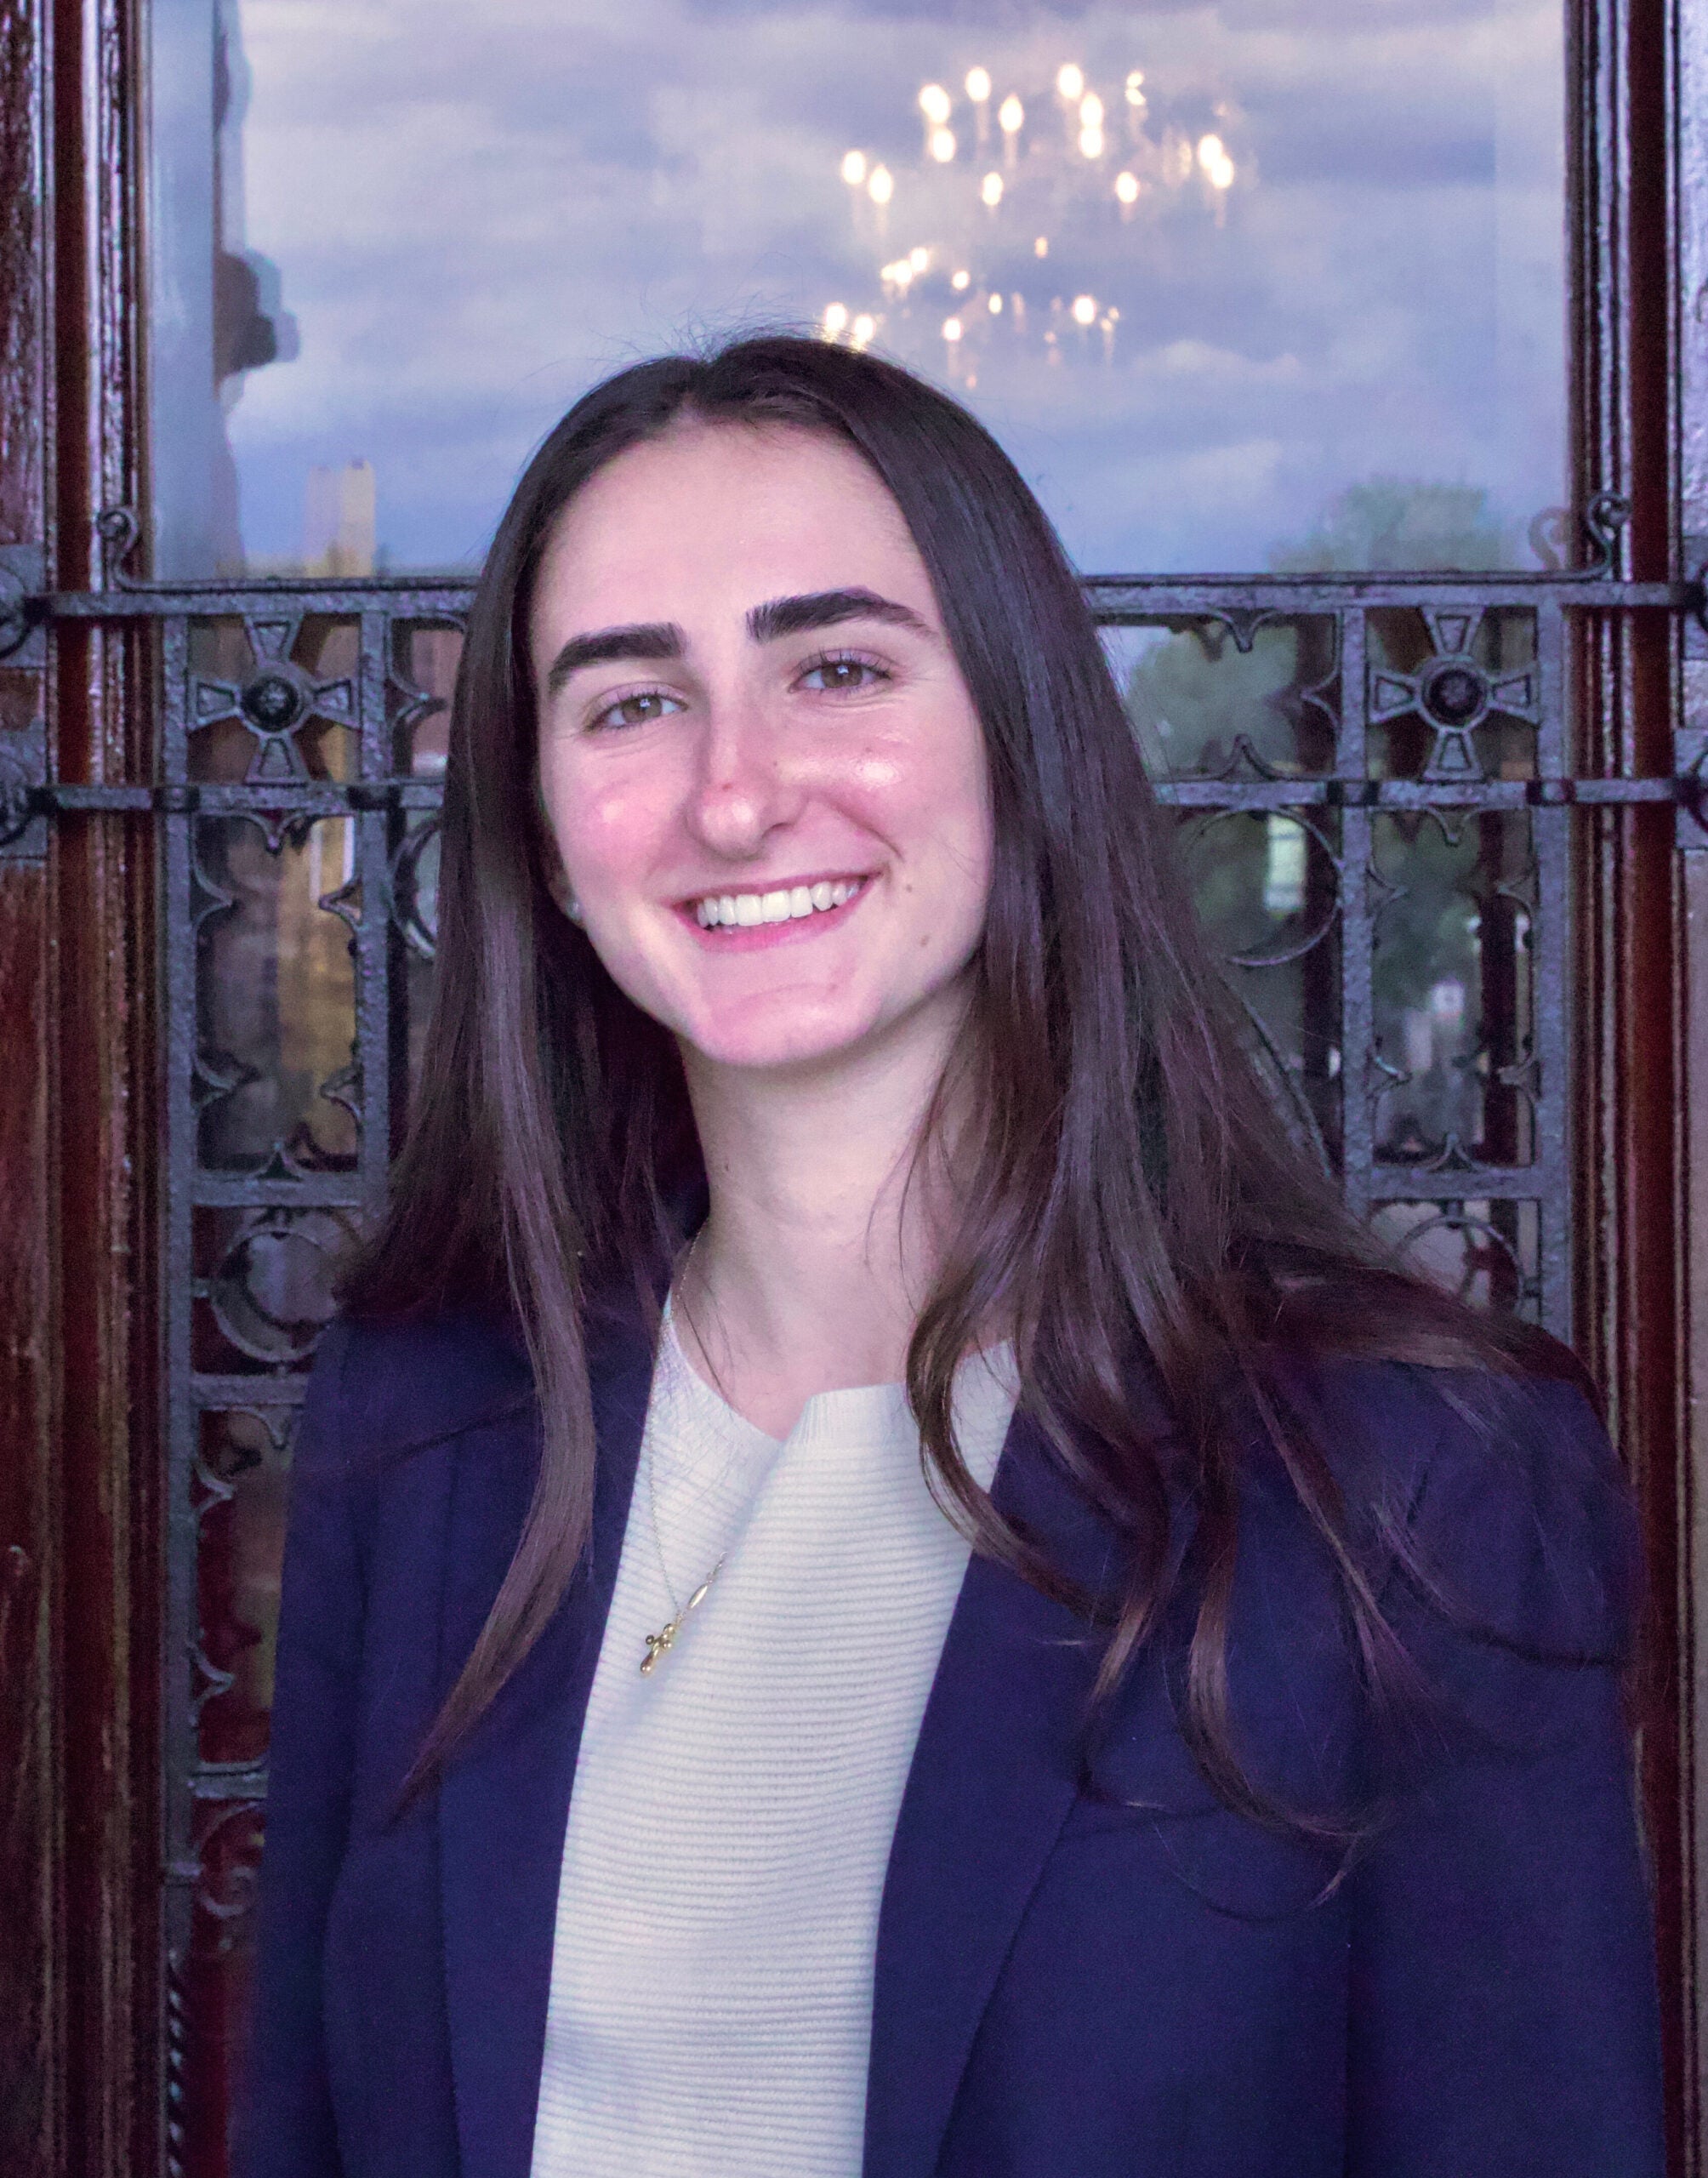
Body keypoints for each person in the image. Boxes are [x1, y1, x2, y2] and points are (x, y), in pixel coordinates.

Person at [242, 334, 1665, 2178]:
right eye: (629, 702)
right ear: (544, 835)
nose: (736, 794)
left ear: (1018, 735)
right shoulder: (423, 1425)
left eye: (834, 668)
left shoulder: (1405, 1480)